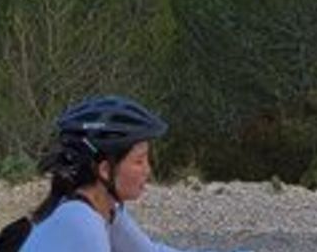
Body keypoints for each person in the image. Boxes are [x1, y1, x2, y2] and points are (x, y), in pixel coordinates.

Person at [19, 95, 230, 252]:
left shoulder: (105, 210)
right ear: (105, 170)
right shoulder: (81, 223)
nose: (148, 170)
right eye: (139, 161)